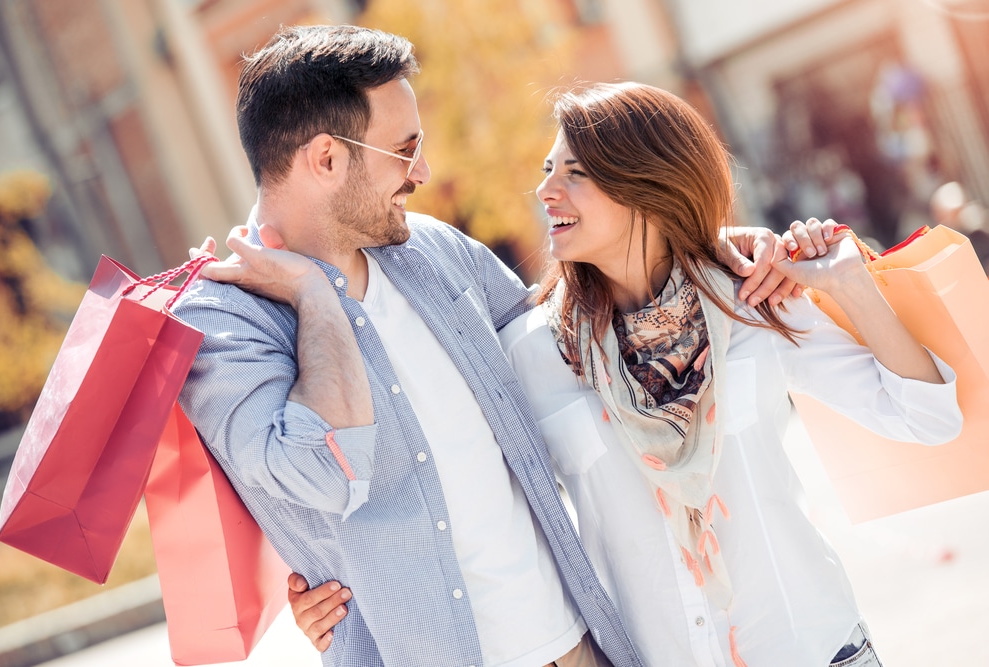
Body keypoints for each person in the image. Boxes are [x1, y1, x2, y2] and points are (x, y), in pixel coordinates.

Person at [177, 25, 794, 667]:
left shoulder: (435, 250)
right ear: (327, 159)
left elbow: (578, 339)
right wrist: (315, 300)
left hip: (574, 647)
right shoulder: (225, 323)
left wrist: (711, 255)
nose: (423, 171)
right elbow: (320, 475)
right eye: (404, 147)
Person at [289, 82, 963, 666]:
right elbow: (451, 490)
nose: (545, 190)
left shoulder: (751, 303)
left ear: (648, 184)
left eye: (573, 173)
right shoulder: (531, 351)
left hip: (812, 647)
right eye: (548, 169)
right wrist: (342, 588)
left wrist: (846, 282)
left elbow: (927, 418)